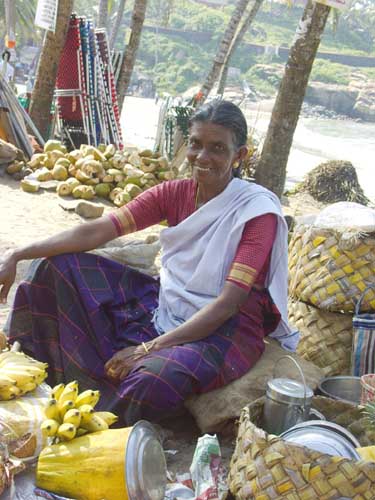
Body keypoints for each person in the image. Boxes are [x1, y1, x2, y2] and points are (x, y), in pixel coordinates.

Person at [0, 100, 298, 425]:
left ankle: (100, 414)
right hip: (168, 301)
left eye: (217, 148)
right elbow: (100, 230)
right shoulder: (173, 193)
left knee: (151, 382)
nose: (202, 157)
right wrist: (17, 253)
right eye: (196, 145)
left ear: (239, 155)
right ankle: (47, 373)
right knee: (55, 268)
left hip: (226, 327)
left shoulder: (256, 213)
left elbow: (228, 303)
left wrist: (146, 349)